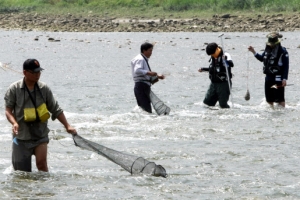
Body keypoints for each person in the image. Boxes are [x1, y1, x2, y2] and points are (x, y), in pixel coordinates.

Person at [4, 59, 77, 172]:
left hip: (40, 134)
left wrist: (67, 125)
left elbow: (56, 109)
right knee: (22, 172)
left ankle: (44, 189)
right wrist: (14, 123)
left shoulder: (44, 89)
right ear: (25, 73)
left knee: (42, 165)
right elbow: (8, 111)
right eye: (34, 72)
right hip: (21, 136)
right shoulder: (14, 89)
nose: (37, 75)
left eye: (39, 72)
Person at [248, 32, 289, 108]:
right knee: (269, 100)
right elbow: (262, 58)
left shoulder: (283, 52)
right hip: (268, 78)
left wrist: (284, 79)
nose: (271, 45)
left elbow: (286, 66)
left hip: (278, 79)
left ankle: (282, 114)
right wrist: (253, 51)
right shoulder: (267, 50)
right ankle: (270, 114)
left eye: (272, 44)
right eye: (270, 44)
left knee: (280, 100)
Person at [131, 42, 165, 113]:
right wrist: (149, 73)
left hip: (142, 86)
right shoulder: (140, 59)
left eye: (151, 50)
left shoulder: (142, 59)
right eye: (150, 50)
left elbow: (142, 74)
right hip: (141, 86)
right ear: (144, 50)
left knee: (145, 109)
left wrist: (157, 77)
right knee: (146, 109)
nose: (151, 52)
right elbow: (137, 70)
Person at [198, 42, 234, 108]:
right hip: (213, 84)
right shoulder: (213, 57)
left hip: (224, 84)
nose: (213, 55)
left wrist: (225, 60)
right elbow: (212, 69)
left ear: (217, 49)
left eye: (213, 53)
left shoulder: (225, 55)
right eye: (211, 54)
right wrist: (203, 69)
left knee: (223, 105)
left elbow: (231, 64)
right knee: (207, 103)